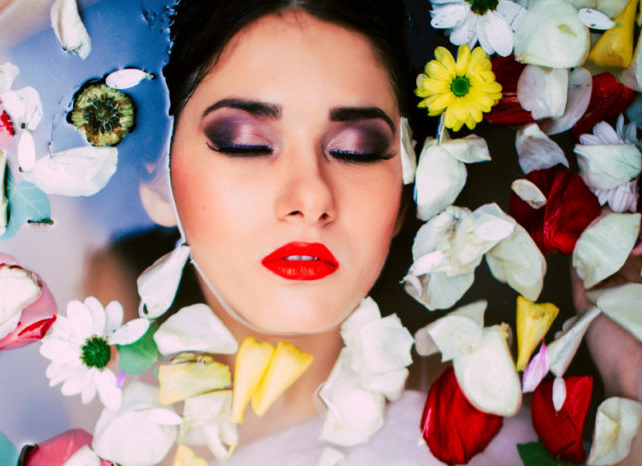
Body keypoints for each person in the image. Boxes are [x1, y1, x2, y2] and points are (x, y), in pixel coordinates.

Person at [151, 0, 536, 463]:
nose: (312, 197)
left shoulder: (500, 451)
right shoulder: (83, 415)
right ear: (156, 180)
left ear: (406, 192)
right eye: (245, 144)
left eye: (357, 150)